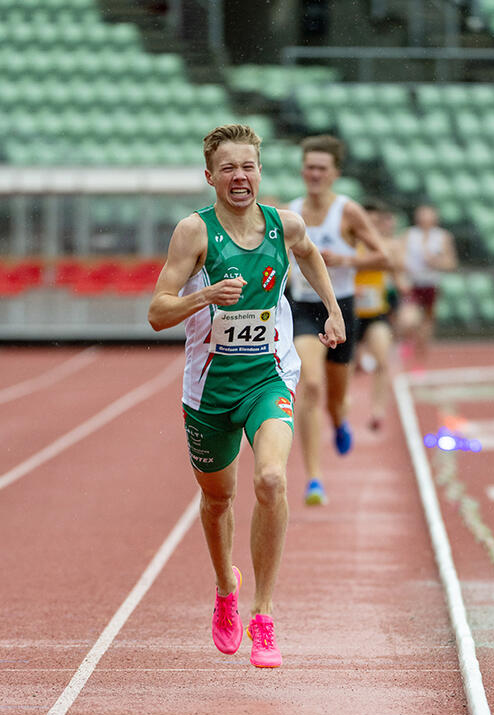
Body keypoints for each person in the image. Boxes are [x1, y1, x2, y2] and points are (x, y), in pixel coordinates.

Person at [147, 124, 347, 669]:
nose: (240, 176)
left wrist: (331, 308)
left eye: (249, 166)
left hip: (269, 376)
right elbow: (157, 312)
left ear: (260, 171)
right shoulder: (194, 233)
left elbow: (309, 253)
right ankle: (224, 590)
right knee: (217, 501)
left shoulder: (285, 224)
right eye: (229, 168)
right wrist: (205, 296)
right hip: (209, 389)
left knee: (272, 479)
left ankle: (264, 612)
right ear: (210, 176)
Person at [287, 135, 392, 506]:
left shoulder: (348, 212)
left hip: (342, 310)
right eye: (309, 167)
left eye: (322, 168)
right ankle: (314, 479)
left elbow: (383, 257)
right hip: (302, 309)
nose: (314, 174)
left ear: (335, 174)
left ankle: (339, 421)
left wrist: (346, 261)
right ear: (302, 170)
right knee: (310, 386)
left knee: (335, 398)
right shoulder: (291, 212)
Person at [354, 198, 408, 432]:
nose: (372, 226)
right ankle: (342, 411)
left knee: (383, 361)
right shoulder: (349, 243)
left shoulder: (385, 246)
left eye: (376, 222)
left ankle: (377, 410)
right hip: (349, 313)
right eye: (368, 221)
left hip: (376, 313)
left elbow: (396, 268)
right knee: (344, 369)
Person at [399, 203, 457, 367]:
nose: (425, 219)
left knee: (425, 329)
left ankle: (419, 362)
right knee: (407, 321)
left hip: (431, 285)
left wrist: (435, 261)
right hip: (413, 284)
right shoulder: (409, 234)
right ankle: (407, 341)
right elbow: (399, 258)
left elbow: (451, 263)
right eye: (422, 214)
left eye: (428, 215)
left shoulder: (442, 236)